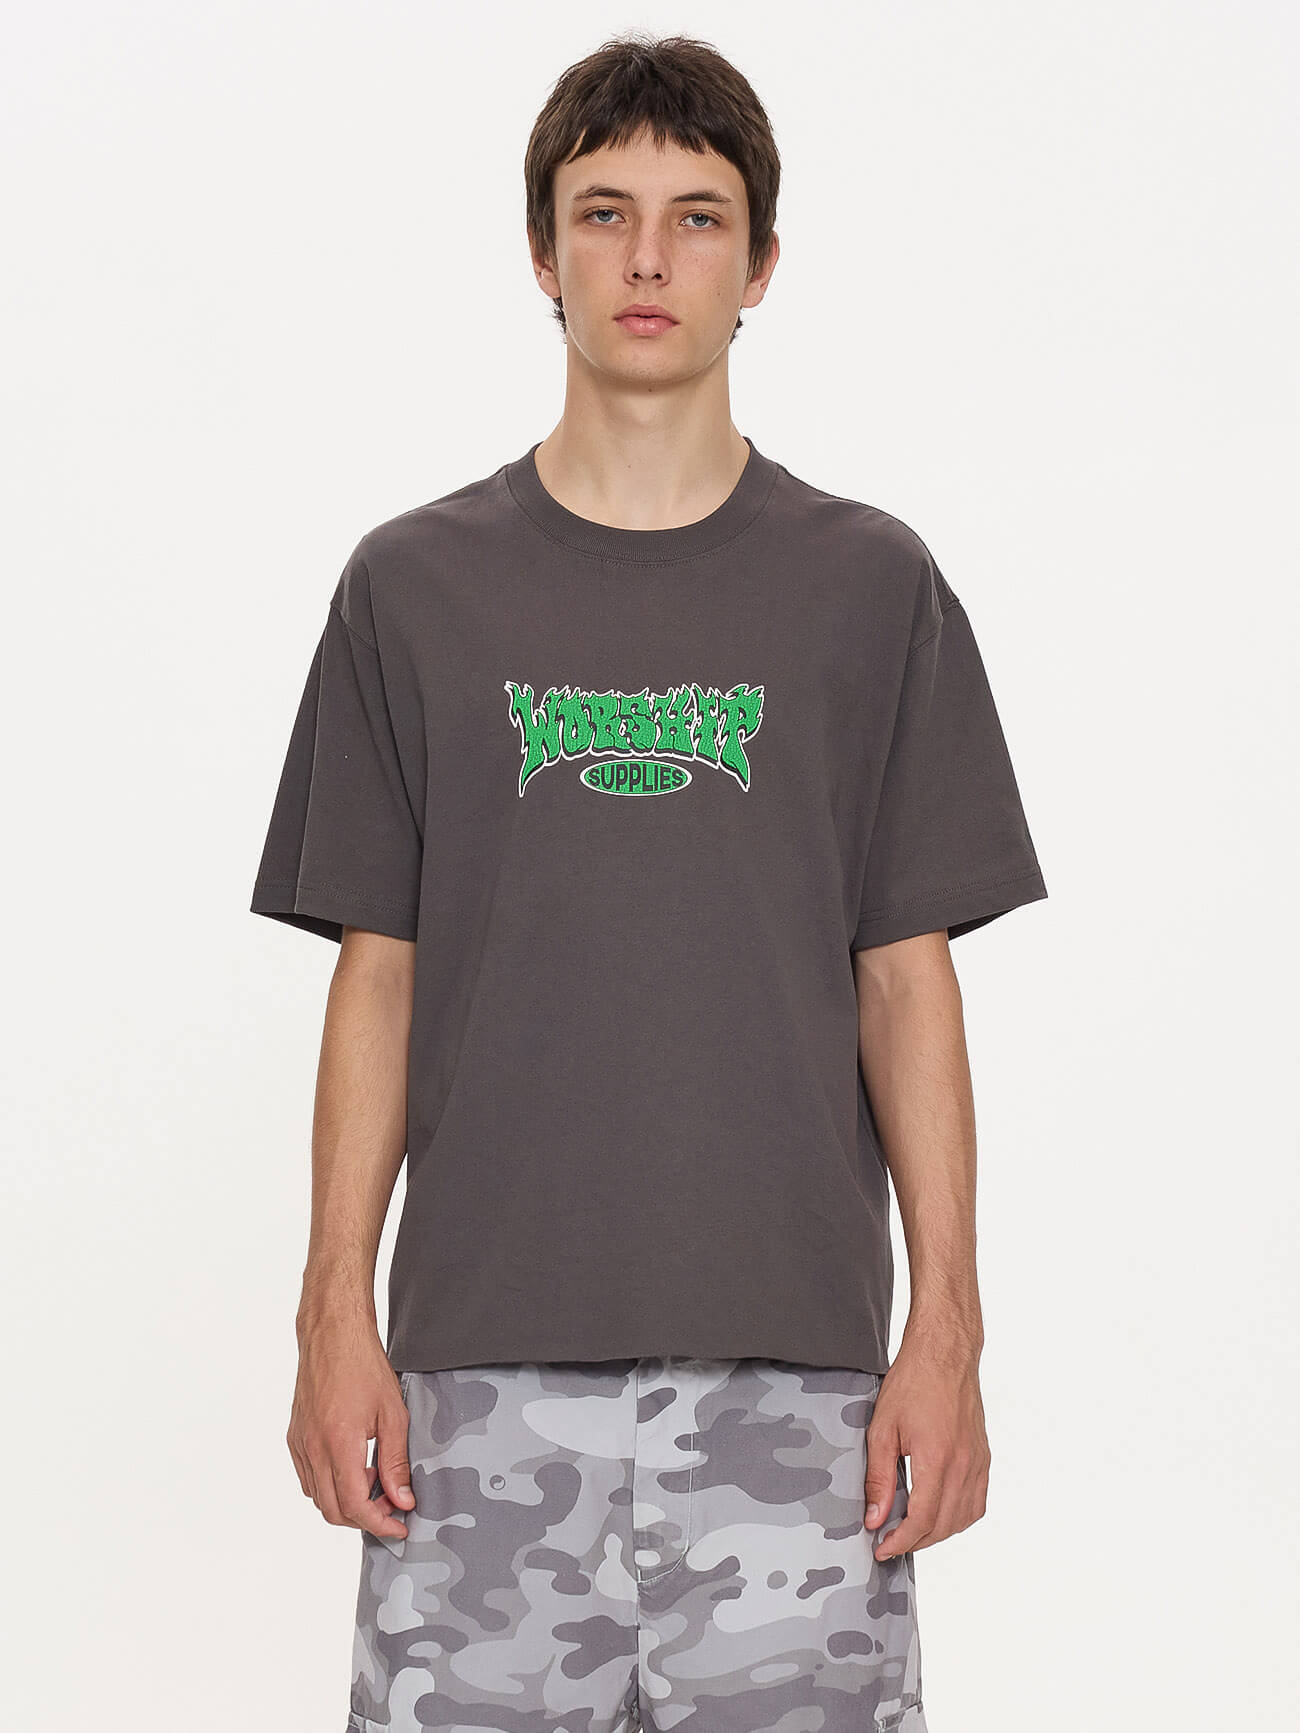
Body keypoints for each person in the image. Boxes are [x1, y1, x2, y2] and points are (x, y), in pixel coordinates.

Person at [249, 32, 1047, 1733]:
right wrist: (331, 1311)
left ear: (762, 266)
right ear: (541, 254)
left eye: (698, 217)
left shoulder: (870, 589)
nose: (647, 258)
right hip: (471, 1402)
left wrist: (949, 1331)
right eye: (604, 212)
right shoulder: (411, 590)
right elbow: (377, 971)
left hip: (800, 1409)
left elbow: (906, 977)